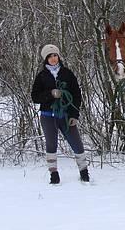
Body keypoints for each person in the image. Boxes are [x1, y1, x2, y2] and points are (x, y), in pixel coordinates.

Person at [31, 44, 90, 184]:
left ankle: (84, 172)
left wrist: (75, 115)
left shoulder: (67, 73)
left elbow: (76, 94)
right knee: (51, 144)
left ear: (58, 56)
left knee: (77, 143)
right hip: (47, 115)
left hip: (66, 115)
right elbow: (35, 97)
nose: (53, 58)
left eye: (55, 55)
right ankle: (54, 175)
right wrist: (50, 94)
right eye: (50, 56)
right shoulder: (41, 76)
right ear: (46, 59)